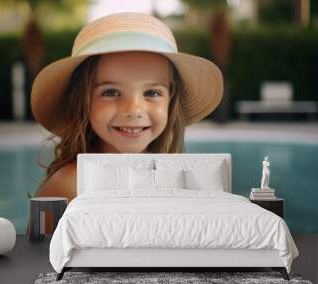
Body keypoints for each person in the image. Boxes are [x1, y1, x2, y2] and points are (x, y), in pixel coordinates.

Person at [29, 12, 223, 232]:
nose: (133, 110)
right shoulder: (68, 185)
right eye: (110, 92)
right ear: (83, 100)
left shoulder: (175, 179)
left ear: (171, 99)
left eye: (151, 92)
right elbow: (36, 262)